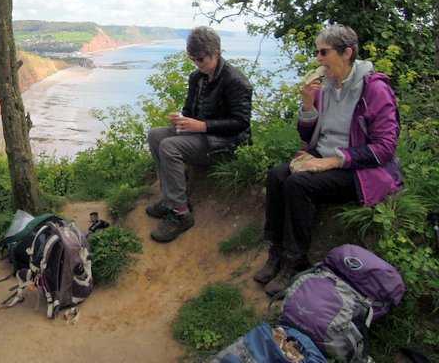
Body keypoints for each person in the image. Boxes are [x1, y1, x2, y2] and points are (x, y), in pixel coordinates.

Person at [255, 24, 403, 296]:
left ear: (347, 53)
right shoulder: (327, 88)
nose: (318, 59)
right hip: (324, 157)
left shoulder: (374, 90)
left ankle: (295, 262)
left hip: (359, 168)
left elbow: (385, 148)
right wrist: (308, 104)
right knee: (277, 175)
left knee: (298, 185)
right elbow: (307, 134)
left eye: (324, 52)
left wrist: (331, 161)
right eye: (317, 52)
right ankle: (275, 251)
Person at [146, 26, 253, 243]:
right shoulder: (197, 77)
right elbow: (190, 110)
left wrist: (201, 126)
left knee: (169, 146)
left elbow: (241, 123)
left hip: (227, 143)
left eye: (201, 59)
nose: (197, 64)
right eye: (193, 59)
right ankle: (170, 198)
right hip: (202, 135)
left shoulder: (236, 81)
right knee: (155, 135)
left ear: (216, 53)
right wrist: (182, 119)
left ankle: (180, 213)